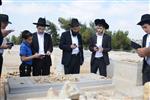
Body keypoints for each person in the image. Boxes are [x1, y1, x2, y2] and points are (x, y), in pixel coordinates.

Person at [137, 14, 150, 85]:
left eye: (145, 27)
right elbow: (143, 51)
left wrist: (147, 50)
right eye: (142, 28)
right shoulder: (144, 37)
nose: (144, 30)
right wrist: (140, 52)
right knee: (145, 89)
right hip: (146, 67)